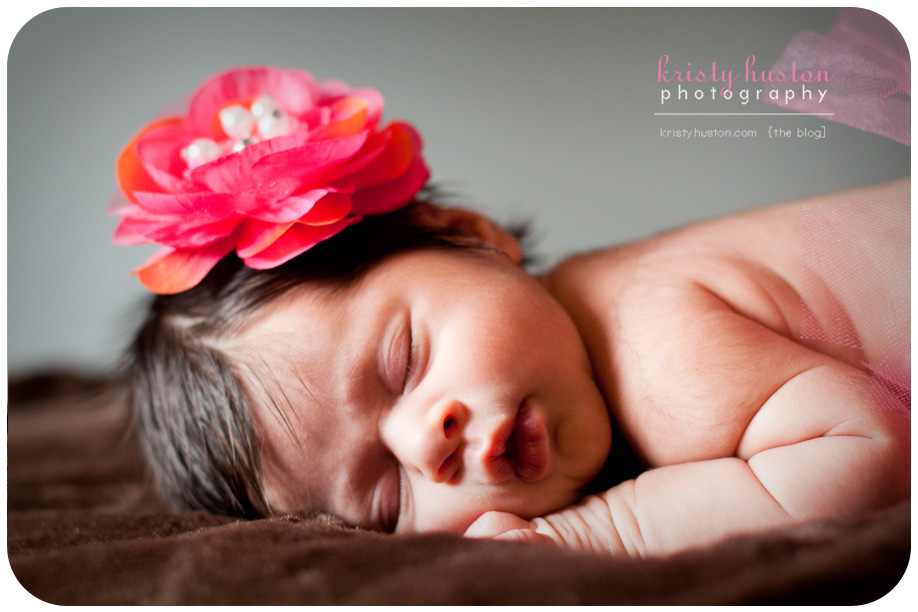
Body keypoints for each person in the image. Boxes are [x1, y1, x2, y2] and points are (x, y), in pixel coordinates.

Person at [115, 67, 909, 556]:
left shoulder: (656, 351)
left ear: (470, 236)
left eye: (404, 363)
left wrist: (594, 536)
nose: (429, 439)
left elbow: (870, 449)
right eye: (389, 496)